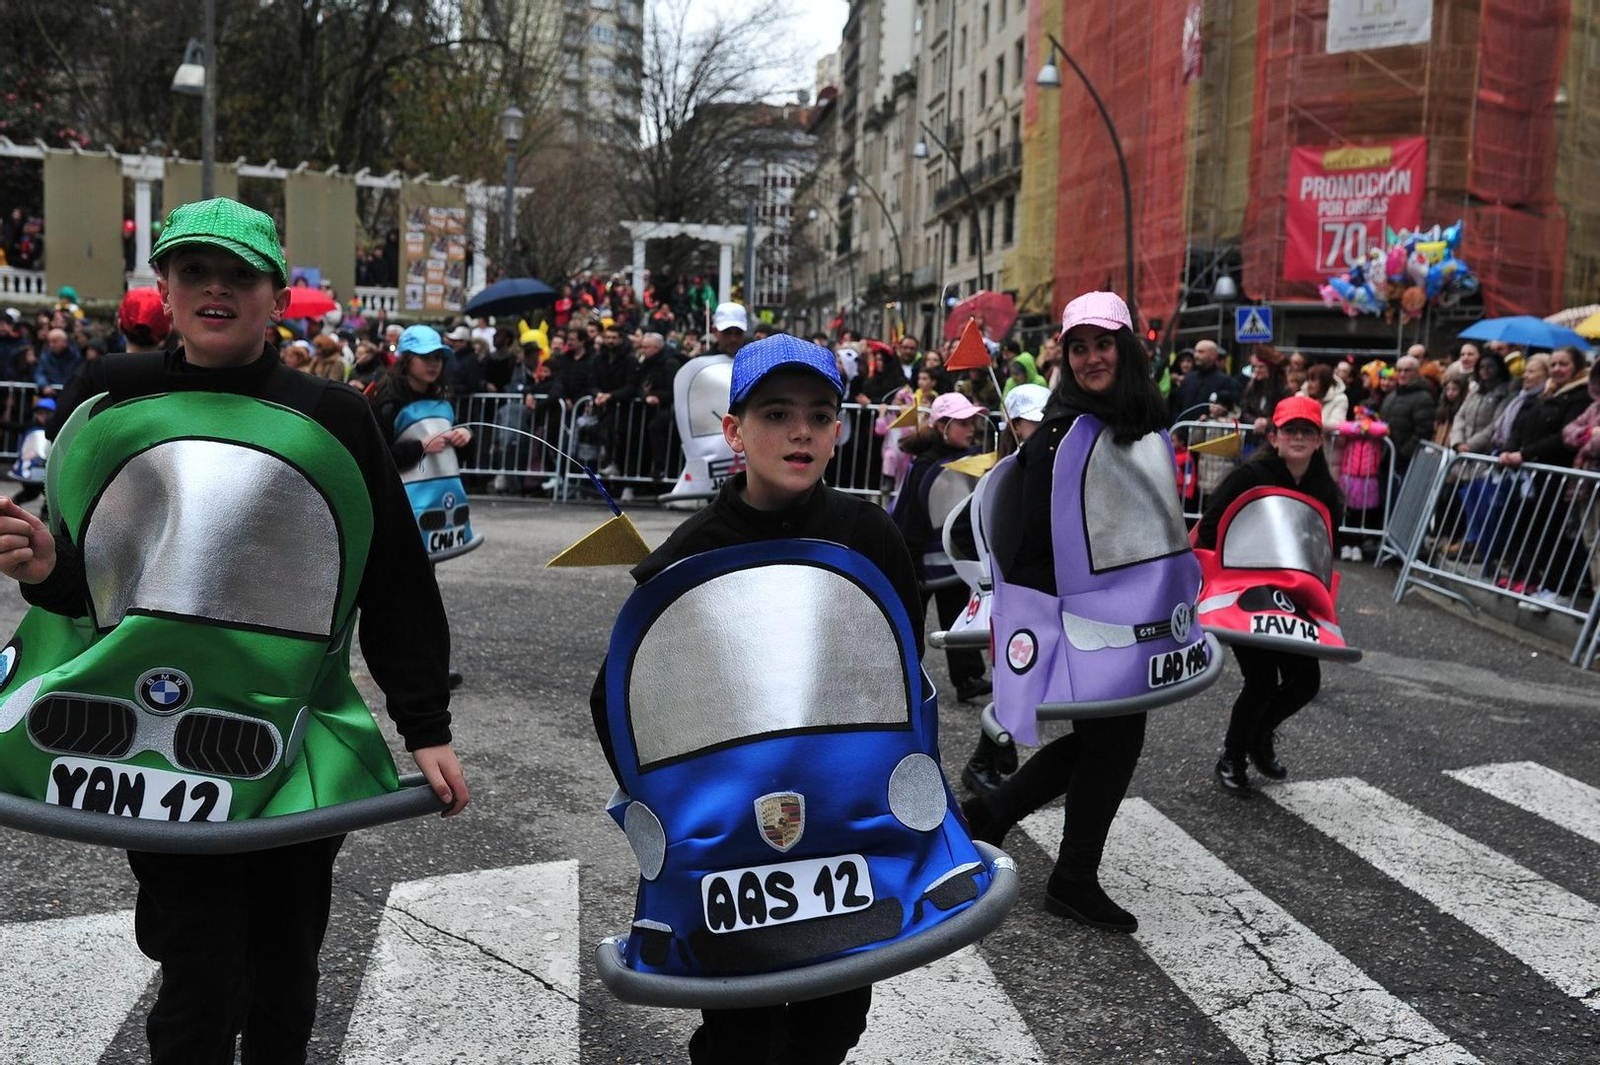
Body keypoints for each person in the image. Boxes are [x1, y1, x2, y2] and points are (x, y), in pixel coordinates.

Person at [0, 197, 468, 1065]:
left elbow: (394, 575)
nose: (216, 288)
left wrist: (426, 724)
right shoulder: (110, 396)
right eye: (193, 271)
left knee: (286, 973)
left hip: (294, 743)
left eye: (239, 274)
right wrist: (41, 567)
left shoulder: (337, 416)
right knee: (200, 975)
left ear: (275, 297)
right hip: (154, 751)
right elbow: (94, 586)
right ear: (166, 291)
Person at [587, 334, 912, 1064]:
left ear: (838, 429)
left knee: (836, 1018)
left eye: (819, 414)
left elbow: (899, 675)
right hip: (737, 844)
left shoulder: (870, 536)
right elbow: (618, 699)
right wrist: (679, 808)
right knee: (742, 1031)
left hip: (847, 829)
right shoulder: (687, 557)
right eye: (775, 413)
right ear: (733, 429)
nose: (800, 431)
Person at [959, 291, 1171, 933]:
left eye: (1102, 344)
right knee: (1113, 739)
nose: (1090, 358)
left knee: (1107, 739)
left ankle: (992, 816)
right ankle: (1071, 877)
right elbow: (1028, 535)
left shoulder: (1137, 422)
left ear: (1126, 349)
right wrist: (1047, 628)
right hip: (1079, 614)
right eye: (1077, 347)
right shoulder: (1059, 434)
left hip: (1129, 610)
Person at [1198, 395, 1342, 795]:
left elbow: (1327, 549)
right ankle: (1232, 756)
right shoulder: (1250, 476)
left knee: (1305, 681)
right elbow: (1212, 529)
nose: (1298, 437)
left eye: (1306, 431)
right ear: (1274, 437)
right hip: (1245, 592)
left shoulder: (1324, 489)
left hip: (1294, 599)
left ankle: (1257, 736)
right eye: (1290, 430)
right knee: (1261, 680)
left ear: (1318, 440)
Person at [893, 392, 991, 704]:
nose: (971, 428)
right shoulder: (925, 467)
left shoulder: (970, 462)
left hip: (952, 561)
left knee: (959, 618)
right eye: (963, 423)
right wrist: (911, 565)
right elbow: (913, 519)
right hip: (919, 562)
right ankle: (901, 678)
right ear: (943, 426)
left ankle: (968, 677)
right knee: (909, 622)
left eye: (972, 422)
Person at [1379, 353, 1436, 471]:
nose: (1402, 374)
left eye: (1407, 370)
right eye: (1399, 370)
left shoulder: (1423, 397)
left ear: (1416, 372)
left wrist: (1404, 453)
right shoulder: (1391, 396)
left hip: (1406, 460)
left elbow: (1424, 431)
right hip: (1387, 456)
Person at [1170, 338, 1236, 421]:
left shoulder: (1225, 380)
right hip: (1184, 429)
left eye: (1201, 352)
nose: (1196, 355)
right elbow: (1177, 407)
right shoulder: (1188, 379)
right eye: (1196, 351)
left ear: (1213, 355)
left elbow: (1228, 409)